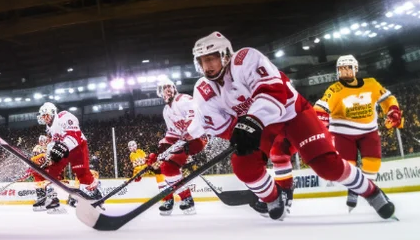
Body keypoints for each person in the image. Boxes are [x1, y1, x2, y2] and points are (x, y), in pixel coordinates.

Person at [188, 32, 395, 221]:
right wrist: (236, 136)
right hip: (262, 124)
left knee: (327, 166)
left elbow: (273, 93)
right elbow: (220, 125)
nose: (207, 66)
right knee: (243, 166)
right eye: (202, 61)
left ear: (224, 54)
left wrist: (249, 124)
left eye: (210, 58)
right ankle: (273, 197)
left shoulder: (245, 59)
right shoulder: (204, 90)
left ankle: (372, 192)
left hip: (292, 113)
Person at [318, 55, 401, 210]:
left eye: (348, 68)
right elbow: (321, 107)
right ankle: (368, 193)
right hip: (343, 132)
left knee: (372, 165)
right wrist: (320, 122)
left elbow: (388, 99)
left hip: (369, 130)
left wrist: (393, 111)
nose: (345, 72)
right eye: (341, 69)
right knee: (348, 166)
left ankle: (364, 191)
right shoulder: (335, 89)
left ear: (355, 69)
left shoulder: (371, 84)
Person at [146, 75, 205, 216]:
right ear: (160, 93)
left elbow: (197, 117)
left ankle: (187, 199)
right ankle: (172, 199)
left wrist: (190, 132)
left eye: (170, 87)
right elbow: (172, 135)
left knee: (169, 164)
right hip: (183, 142)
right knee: (162, 167)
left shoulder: (183, 100)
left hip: (198, 138)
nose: (168, 90)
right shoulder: (167, 111)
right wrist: (159, 150)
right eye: (164, 88)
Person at [37, 102, 102, 214]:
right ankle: (53, 201)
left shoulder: (64, 117)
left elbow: (74, 135)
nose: (45, 119)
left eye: (46, 115)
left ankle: (94, 193)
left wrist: (62, 147)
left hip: (78, 147)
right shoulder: (49, 128)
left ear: (53, 113)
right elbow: (54, 142)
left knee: (82, 173)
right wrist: (50, 156)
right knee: (51, 171)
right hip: (64, 150)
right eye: (43, 117)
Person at [30, 135, 50, 211]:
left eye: (43, 140)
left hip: (45, 170)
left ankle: (44, 200)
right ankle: (41, 201)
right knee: (40, 185)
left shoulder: (47, 148)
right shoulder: (37, 148)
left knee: (45, 185)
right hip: (38, 170)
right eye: (41, 140)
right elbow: (34, 159)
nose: (42, 142)